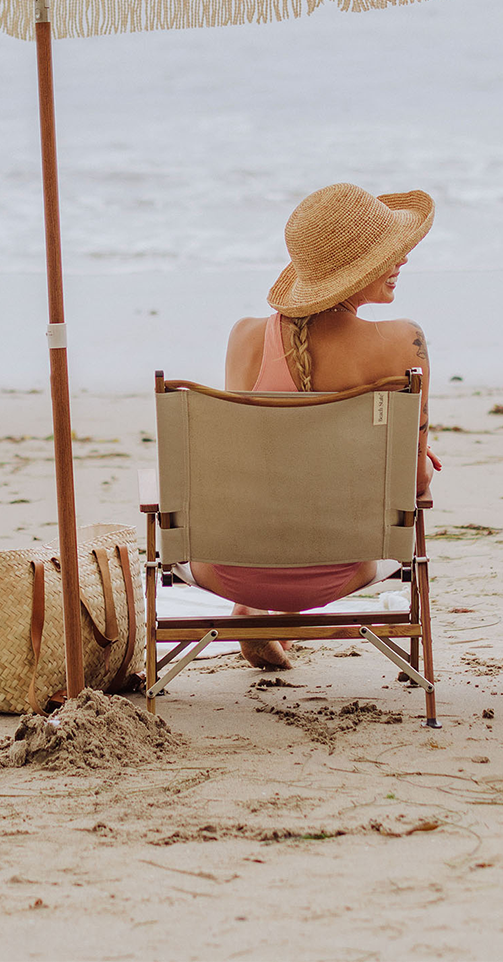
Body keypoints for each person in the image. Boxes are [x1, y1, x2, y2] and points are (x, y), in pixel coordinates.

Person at [188, 182, 438, 669]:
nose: (402, 260)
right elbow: (416, 485)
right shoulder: (401, 342)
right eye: (388, 253)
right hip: (340, 570)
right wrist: (410, 456)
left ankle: (253, 608)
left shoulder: (245, 338)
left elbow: (249, 462)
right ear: (353, 273)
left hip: (230, 568)